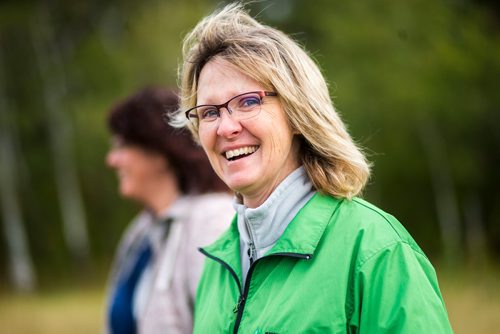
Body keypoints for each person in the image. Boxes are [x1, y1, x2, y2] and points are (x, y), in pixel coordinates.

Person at [170, 3, 453, 333]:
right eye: (209, 112)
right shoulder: (218, 265)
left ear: (296, 113)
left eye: (248, 102)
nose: (226, 127)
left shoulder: (376, 250)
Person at [104, 87, 234, 334]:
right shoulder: (140, 231)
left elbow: (222, 325)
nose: (112, 160)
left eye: (122, 146)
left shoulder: (211, 221)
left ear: (160, 153)